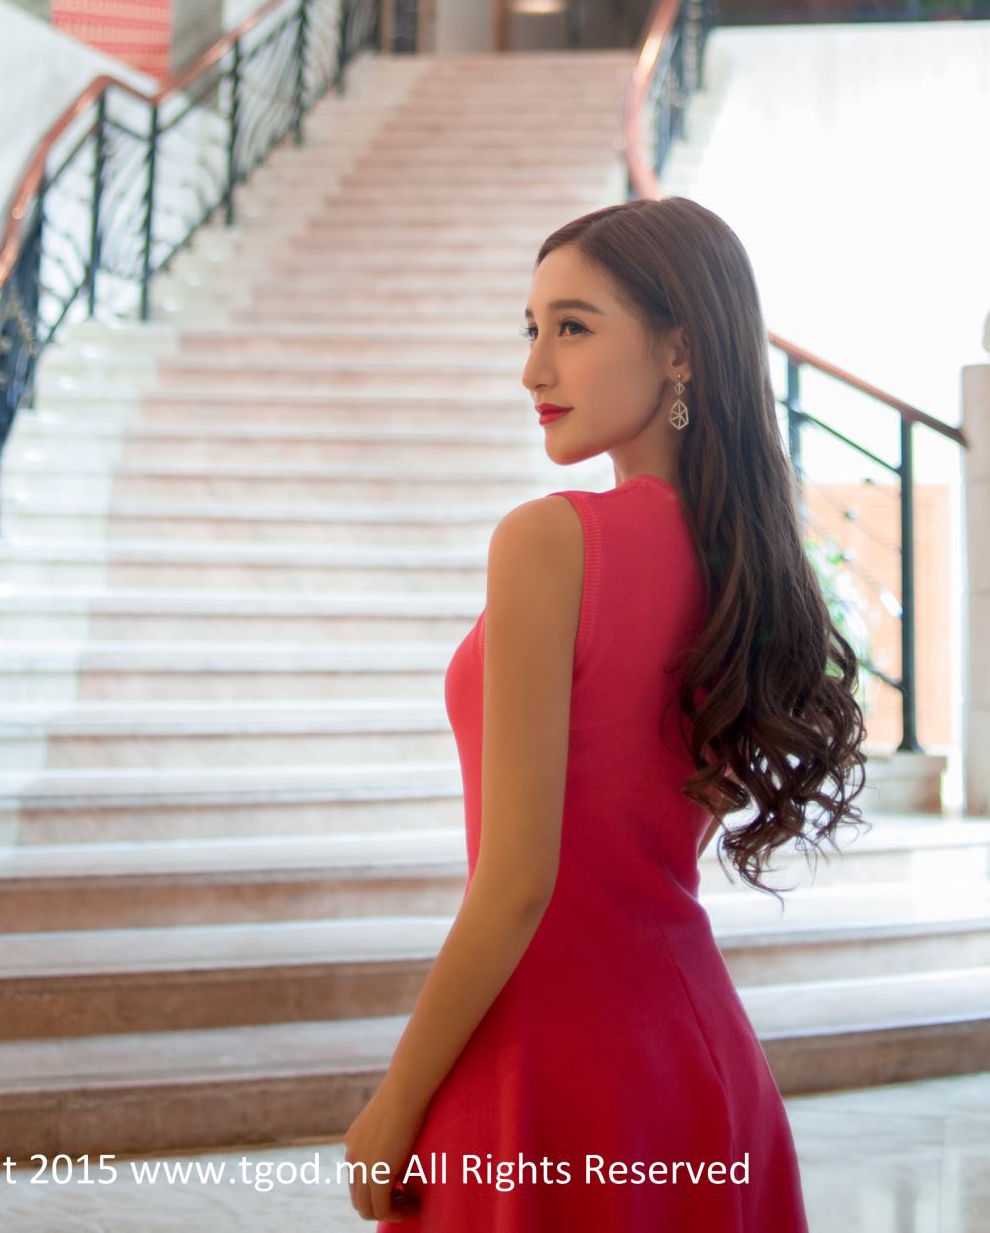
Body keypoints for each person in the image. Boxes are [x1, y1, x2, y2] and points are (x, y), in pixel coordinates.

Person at [343, 195, 869, 1227]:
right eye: (531, 329)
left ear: (680, 350)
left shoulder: (550, 542)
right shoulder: (746, 570)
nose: (534, 370)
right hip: (698, 1065)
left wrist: (397, 1100)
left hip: (548, 1064)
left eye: (573, 328)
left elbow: (517, 887)